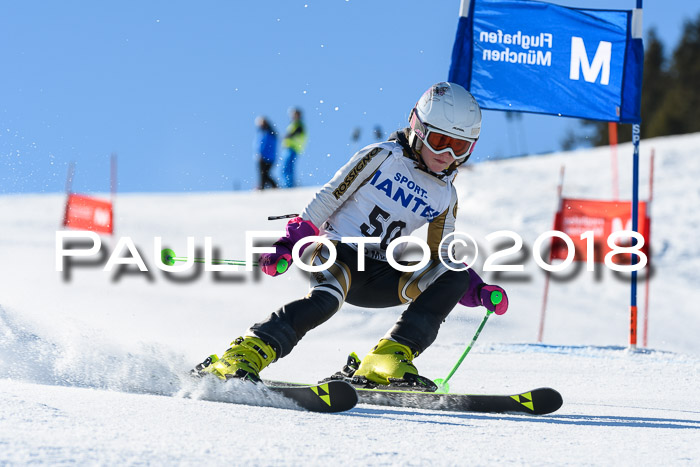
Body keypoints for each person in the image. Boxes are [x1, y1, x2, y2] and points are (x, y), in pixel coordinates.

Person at [195, 82, 509, 388]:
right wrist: (289, 243)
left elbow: (441, 256)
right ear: (418, 128)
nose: (447, 154)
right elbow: (328, 198)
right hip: (335, 253)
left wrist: (477, 290)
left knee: (452, 274)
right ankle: (243, 354)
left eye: (460, 146)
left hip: (381, 274)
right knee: (327, 300)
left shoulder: (446, 195)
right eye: (439, 141)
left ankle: (386, 359)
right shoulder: (382, 157)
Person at [281, 107, 307, 188]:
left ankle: (289, 185)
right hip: (289, 148)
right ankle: (287, 184)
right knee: (285, 167)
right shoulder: (293, 124)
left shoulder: (299, 124)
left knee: (287, 168)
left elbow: (296, 133)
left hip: (293, 148)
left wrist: (288, 136)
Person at [254, 116, 277, 190]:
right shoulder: (262, 132)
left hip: (266, 156)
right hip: (267, 156)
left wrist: (260, 153)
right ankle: (269, 186)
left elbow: (264, 145)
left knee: (264, 173)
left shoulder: (268, 133)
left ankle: (264, 187)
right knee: (264, 173)